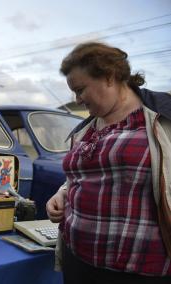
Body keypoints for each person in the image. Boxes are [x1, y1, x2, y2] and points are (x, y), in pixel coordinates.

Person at [46, 42, 171, 283]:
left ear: (109, 76)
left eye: (81, 89)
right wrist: (63, 192)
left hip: (139, 270)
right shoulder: (85, 129)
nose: (77, 98)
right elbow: (79, 177)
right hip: (78, 262)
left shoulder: (164, 117)